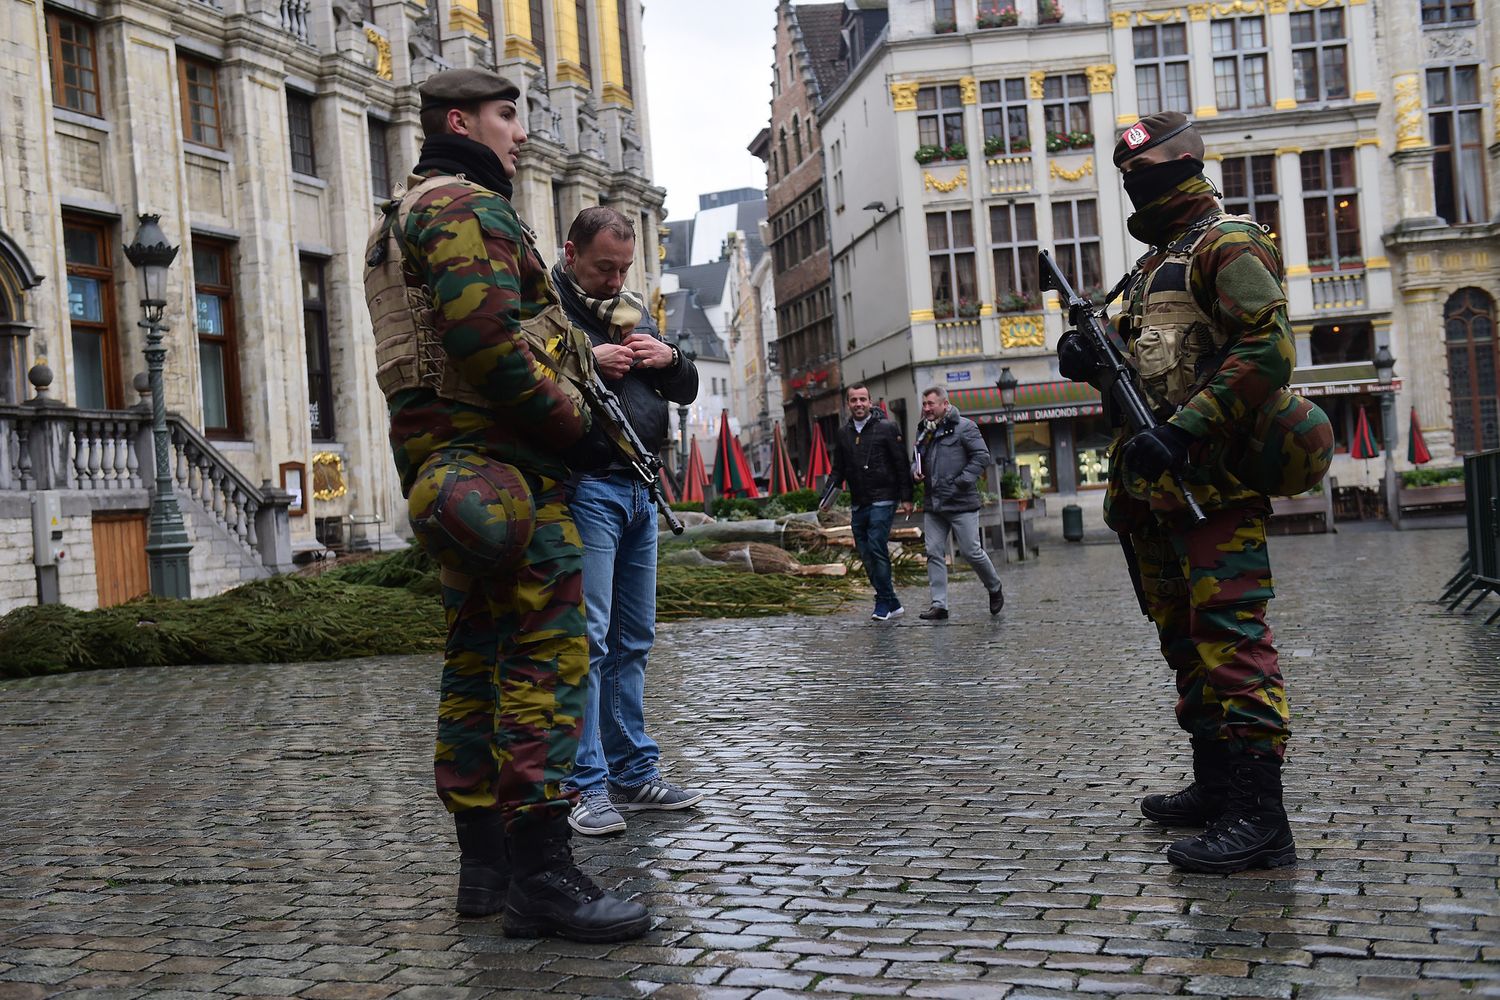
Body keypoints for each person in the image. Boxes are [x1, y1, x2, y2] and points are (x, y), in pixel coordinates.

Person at [366, 67, 648, 940]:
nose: (519, 134)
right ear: (461, 120)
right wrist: (577, 430)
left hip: (456, 470)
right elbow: (486, 340)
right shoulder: (462, 206)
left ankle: (484, 869)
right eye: (505, 116)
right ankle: (543, 873)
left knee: (479, 657)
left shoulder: (403, 213)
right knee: (547, 658)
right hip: (505, 466)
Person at [1057, 111, 1297, 874]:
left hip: (1212, 488)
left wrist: (1189, 428)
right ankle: (1216, 786)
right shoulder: (1153, 264)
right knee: (1186, 645)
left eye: (1149, 167)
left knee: (1233, 643)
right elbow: (1144, 370)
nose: (1137, 179)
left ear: (1186, 161)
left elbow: (1267, 348)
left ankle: (1261, 819)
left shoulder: (1229, 243)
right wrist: (1088, 359)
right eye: (1128, 172)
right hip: (1151, 491)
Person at [550, 206, 704, 838]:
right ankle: (584, 785)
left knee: (633, 641)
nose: (614, 280)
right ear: (571, 255)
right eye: (603, 267)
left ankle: (632, 771)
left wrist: (666, 358)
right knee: (589, 640)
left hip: (641, 489)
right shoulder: (552, 308)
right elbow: (528, 378)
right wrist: (590, 360)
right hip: (588, 487)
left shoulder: (635, 307)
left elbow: (687, 386)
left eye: (622, 268)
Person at [912, 386, 1005, 620]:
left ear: (945, 404)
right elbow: (917, 458)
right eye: (924, 404)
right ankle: (939, 605)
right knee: (933, 552)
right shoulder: (924, 429)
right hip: (934, 503)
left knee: (971, 551)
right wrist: (915, 471)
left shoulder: (965, 427)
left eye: (931, 404)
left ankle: (994, 587)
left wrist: (962, 481)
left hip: (961, 500)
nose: (926, 409)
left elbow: (982, 456)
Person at [825, 385, 914, 621]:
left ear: (870, 401)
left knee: (876, 545)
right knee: (865, 552)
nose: (858, 404)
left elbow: (901, 464)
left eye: (862, 399)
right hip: (859, 501)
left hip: (884, 497)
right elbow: (838, 470)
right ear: (848, 404)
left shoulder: (886, 428)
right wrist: (826, 497)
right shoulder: (844, 434)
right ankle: (892, 601)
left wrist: (907, 497)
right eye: (854, 400)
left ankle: (882, 601)